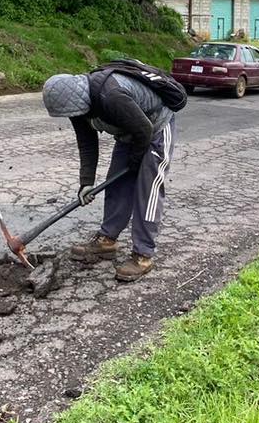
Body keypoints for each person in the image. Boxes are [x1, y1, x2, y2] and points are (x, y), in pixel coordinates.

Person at [41, 64, 176, 281]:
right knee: (115, 185)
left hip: (156, 128)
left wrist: (134, 164)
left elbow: (144, 130)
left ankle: (143, 254)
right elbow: (87, 143)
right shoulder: (77, 105)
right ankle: (108, 240)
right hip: (130, 131)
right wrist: (86, 182)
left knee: (147, 189)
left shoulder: (111, 95)